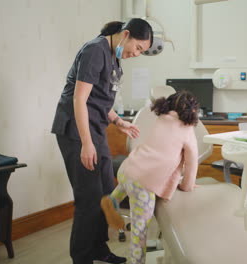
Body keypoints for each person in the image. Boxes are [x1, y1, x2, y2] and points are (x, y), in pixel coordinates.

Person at [51, 19, 153, 264]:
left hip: (95, 129)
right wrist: (86, 143)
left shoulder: (115, 59)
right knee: (88, 198)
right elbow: (80, 99)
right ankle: (82, 257)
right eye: (138, 48)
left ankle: (98, 249)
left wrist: (118, 121)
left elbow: (100, 101)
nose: (137, 54)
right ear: (126, 34)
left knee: (107, 193)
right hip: (76, 131)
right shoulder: (95, 50)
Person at [100, 91, 200, 264]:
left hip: (128, 168)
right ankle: (136, 262)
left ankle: (112, 201)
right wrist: (187, 186)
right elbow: (191, 163)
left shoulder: (162, 118)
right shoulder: (187, 129)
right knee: (140, 231)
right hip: (143, 183)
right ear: (192, 112)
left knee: (128, 182)